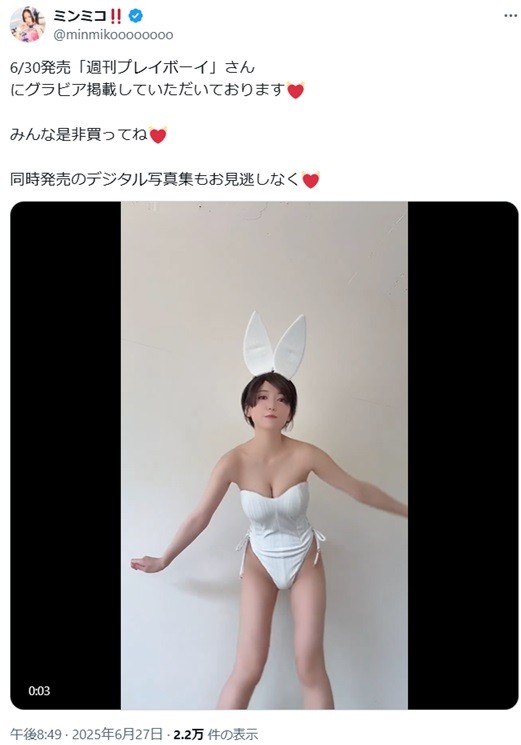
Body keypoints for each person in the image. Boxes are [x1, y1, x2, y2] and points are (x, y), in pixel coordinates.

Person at [131, 312, 407, 710]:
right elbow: (199, 517)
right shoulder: (232, 461)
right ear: (248, 408)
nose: (272, 405)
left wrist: (405, 510)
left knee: (309, 666)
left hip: (305, 558)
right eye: (262, 397)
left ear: (291, 411)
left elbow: (359, 489)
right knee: (248, 668)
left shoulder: (307, 454)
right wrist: (164, 559)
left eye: (282, 399)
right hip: (259, 560)